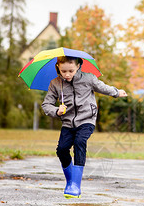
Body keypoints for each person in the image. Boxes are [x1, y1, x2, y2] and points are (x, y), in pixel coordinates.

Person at [42, 56, 127, 198]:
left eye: (71, 70)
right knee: (62, 150)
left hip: (87, 119)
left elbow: (102, 87)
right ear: (58, 68)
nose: (67, 74)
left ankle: (75, 185)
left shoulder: (88, 79)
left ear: (78, 66)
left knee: (79, 142)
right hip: (68, 123)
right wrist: (57, 111)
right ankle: (71, 182)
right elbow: (46, 105)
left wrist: (116, 92)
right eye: (63, 71)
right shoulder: (55, 84)